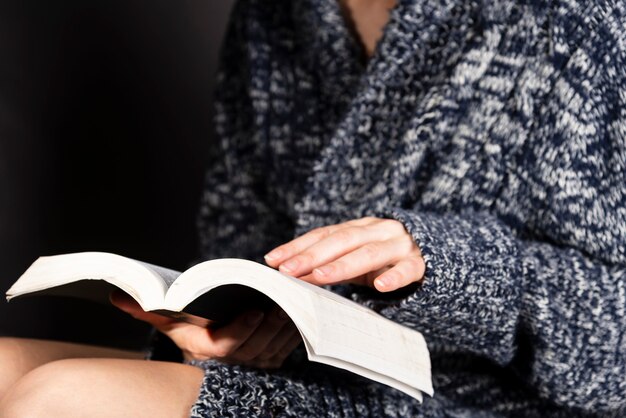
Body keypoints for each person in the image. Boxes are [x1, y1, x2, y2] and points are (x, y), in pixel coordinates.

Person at [1, 0, 625, 416]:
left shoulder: (586, 19)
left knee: (64, 397)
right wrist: (226, 329)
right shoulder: (277, 14)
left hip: (472, 403)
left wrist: (447, 269)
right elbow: (241, 242)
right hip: (305, 375)